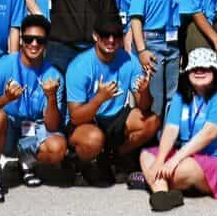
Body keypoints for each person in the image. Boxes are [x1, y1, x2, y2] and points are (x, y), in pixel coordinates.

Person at [140, 48, 217, 212]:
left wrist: (173, 160)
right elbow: (170, 130)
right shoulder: (180, 96)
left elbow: (208, 134)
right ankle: (162, 194)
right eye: (195, 68)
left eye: (205, 68)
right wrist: (161, 160)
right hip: (190, 155)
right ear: (187, 72)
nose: (199, 72)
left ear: (214, 71)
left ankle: (153, 180)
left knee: (179, 168)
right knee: (147, 155)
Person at [0, 14, 67, 202]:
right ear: (20, 40)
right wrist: (6, 99)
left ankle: (26, 163)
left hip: (32, 130)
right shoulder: (1, 66)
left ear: (46, 43)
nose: (34, 44)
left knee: (58, 148)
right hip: (7, 130)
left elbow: (52, 126)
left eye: (39, 40)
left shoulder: (54, 74)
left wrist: (51, 97)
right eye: (28, 39)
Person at [65, 16, 160, 186]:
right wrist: (100, 98)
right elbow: (75, 117)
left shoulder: (129, 60)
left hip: (115, 117)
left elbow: (144, 106)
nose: (111, 40)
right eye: (105, 35)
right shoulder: (79, 66)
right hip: (87, 120)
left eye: (116, 35)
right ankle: (80, 163)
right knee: (93, 139)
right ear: (95, 36)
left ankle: (114, 156)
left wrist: (144, 91)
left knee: (152, 121)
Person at [130, 0, 185, 118]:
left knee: (172, 96)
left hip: (173, 43)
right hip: (152, 43)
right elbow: (136, 18)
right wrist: (142, 50)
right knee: (155, 98)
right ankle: (151, 142)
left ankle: (166, 140)